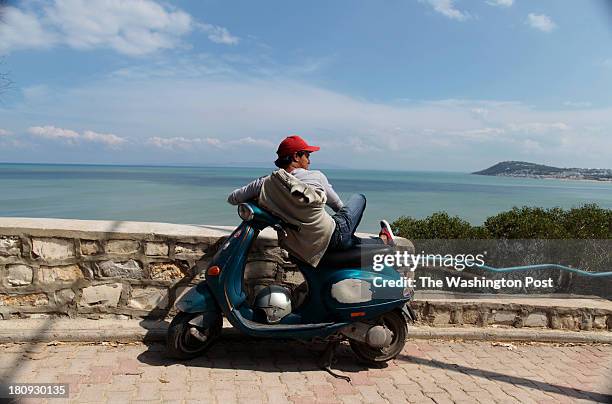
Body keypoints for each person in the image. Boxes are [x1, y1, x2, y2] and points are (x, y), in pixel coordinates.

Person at [227, 135, 395, 266]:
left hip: (302, 247)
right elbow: (337, 205)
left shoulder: (264, 183)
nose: (309, 159)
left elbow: (233, 198)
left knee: (350, 239)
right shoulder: (316, 176)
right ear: (295, 157)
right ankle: (382, 240)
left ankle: (381, 240)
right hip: (333, 236)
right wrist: (344, 223)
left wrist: (258, 198)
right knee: (359, 198)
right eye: (307, 155)